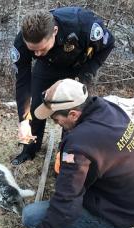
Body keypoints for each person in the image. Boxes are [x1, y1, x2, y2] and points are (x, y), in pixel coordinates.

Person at [18, 79, 134, 228]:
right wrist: (65, 153)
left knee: (31, 217)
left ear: (74, 114)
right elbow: (85, 143)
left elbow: (68, 202)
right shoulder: (106, 108)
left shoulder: (80, 144)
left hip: (117, 213)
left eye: (55, 117)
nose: (55, 122)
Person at [11, 7, 115, 165]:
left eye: (41, 48)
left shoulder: (84, 26)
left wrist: (87, 73)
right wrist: (23, 120)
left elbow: (109, 43)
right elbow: (23, 82)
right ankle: (30, 149)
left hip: (78, 67)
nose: (37, 54)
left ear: (54, 31)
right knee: (37, 108)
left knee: (71, 112)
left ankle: (67, 153)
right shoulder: (22, 43)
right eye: (33, 51)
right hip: (47, 66)